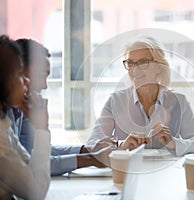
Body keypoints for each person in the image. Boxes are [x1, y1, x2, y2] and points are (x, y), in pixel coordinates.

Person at [12, 38, 116, 176]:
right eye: (41, 75)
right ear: (17, 71)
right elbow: (30, 165)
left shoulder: (21, 108)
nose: (44, 86)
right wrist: (90, 159)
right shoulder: (5, 113)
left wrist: (87, 150)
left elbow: (37, 152)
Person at [87, 36, 194, 156]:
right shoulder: (115, 101)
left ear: (159, 67)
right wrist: (121, 145)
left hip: (167, 171)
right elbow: (92, 143)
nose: (135, 70)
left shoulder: (179, 101)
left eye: (143, 62)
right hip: (127, 171)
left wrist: (173, 143)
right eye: (130, 63)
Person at [0, 35, 50, 199]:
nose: (26, 81)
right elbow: (35, 192)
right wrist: (42, 129)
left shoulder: (4, 126)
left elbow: (30, 169)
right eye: (19, 74)